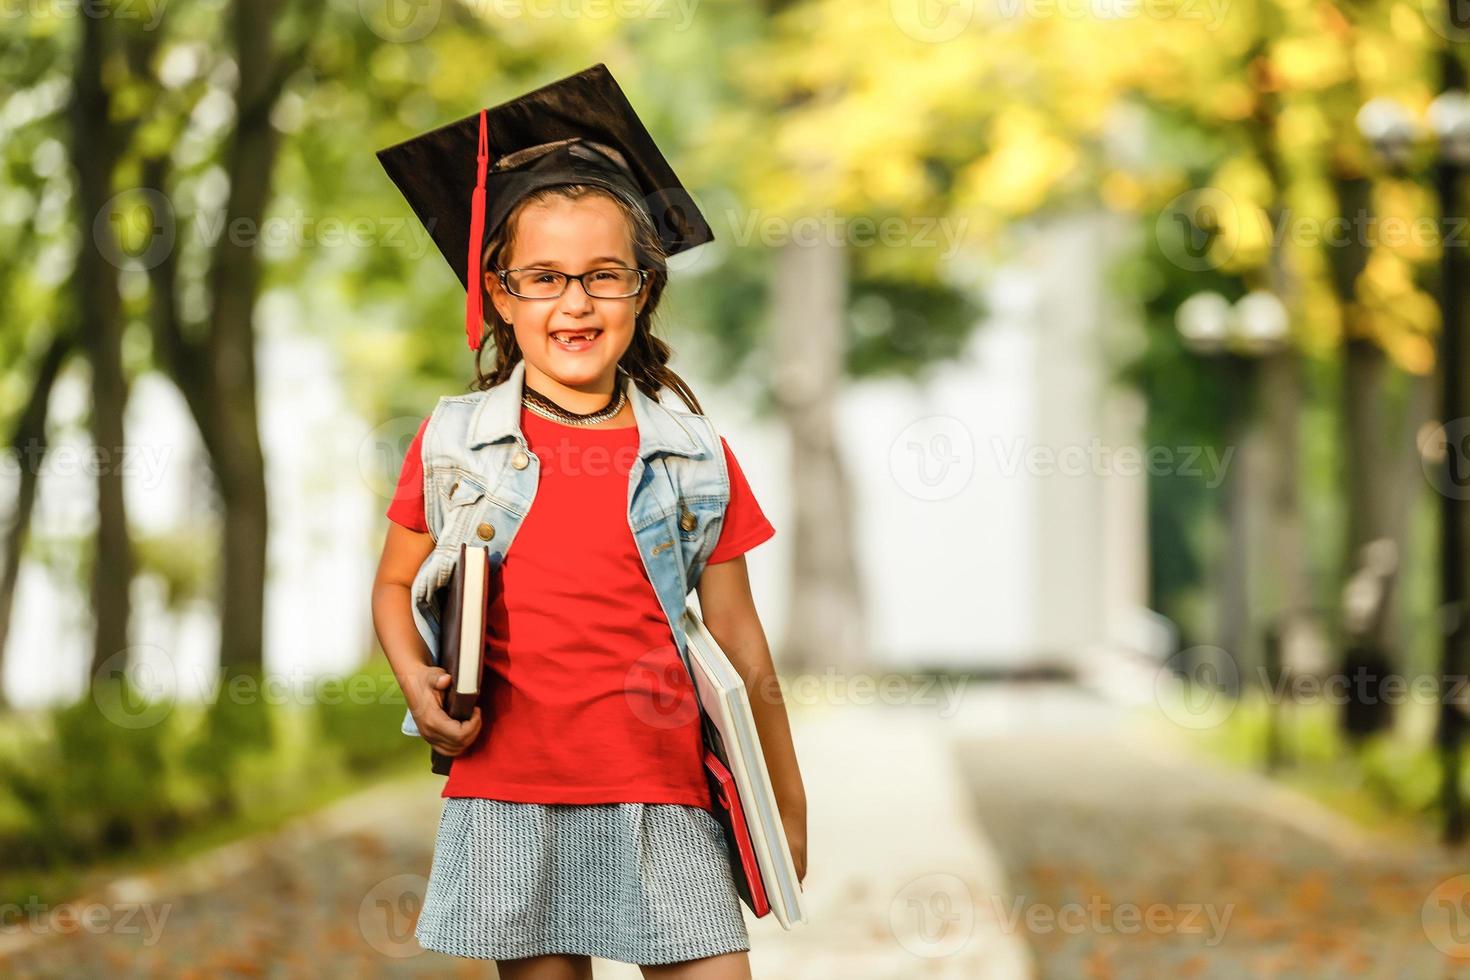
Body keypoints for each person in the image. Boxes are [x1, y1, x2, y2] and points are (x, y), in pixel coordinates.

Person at [369, 64, 807, 979]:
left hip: (666, 794)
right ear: (500, 293)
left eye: (603, 276)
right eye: (545, 278)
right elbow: (395, 583)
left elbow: (740, 639)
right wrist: (417, 681)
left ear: (643, 289)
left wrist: (786, 802)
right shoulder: (457, 442)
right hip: (511, 795)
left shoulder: (694, 455)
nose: (575, 302)